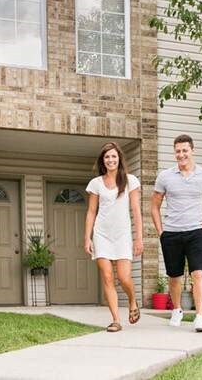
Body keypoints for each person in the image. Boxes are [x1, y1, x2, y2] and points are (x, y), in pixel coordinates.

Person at [151, 134, 202, 332]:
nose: (181, 155)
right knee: (174, 276)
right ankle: (178, 309)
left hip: (196, 232)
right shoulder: (165, 176)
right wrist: (161, 232)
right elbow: (154, 206)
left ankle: (199, 317)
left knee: (198, 273)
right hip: (171, 233)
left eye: (184, 151)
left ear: (192, 150)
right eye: (178, 151)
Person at [84, 142, 144, 332]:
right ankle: (116, 319)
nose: (110, 160)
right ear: (103, 161)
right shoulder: (96, 183)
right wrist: (88, 237)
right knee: (108, 277)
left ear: (119, 159)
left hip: (123, 235)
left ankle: (133, 301)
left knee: (125, 277)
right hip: (101, 234)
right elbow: (91, 212)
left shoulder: (130, 181)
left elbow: (136, 210)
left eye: (113, 156)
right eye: (107, 157)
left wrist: (138, 238)